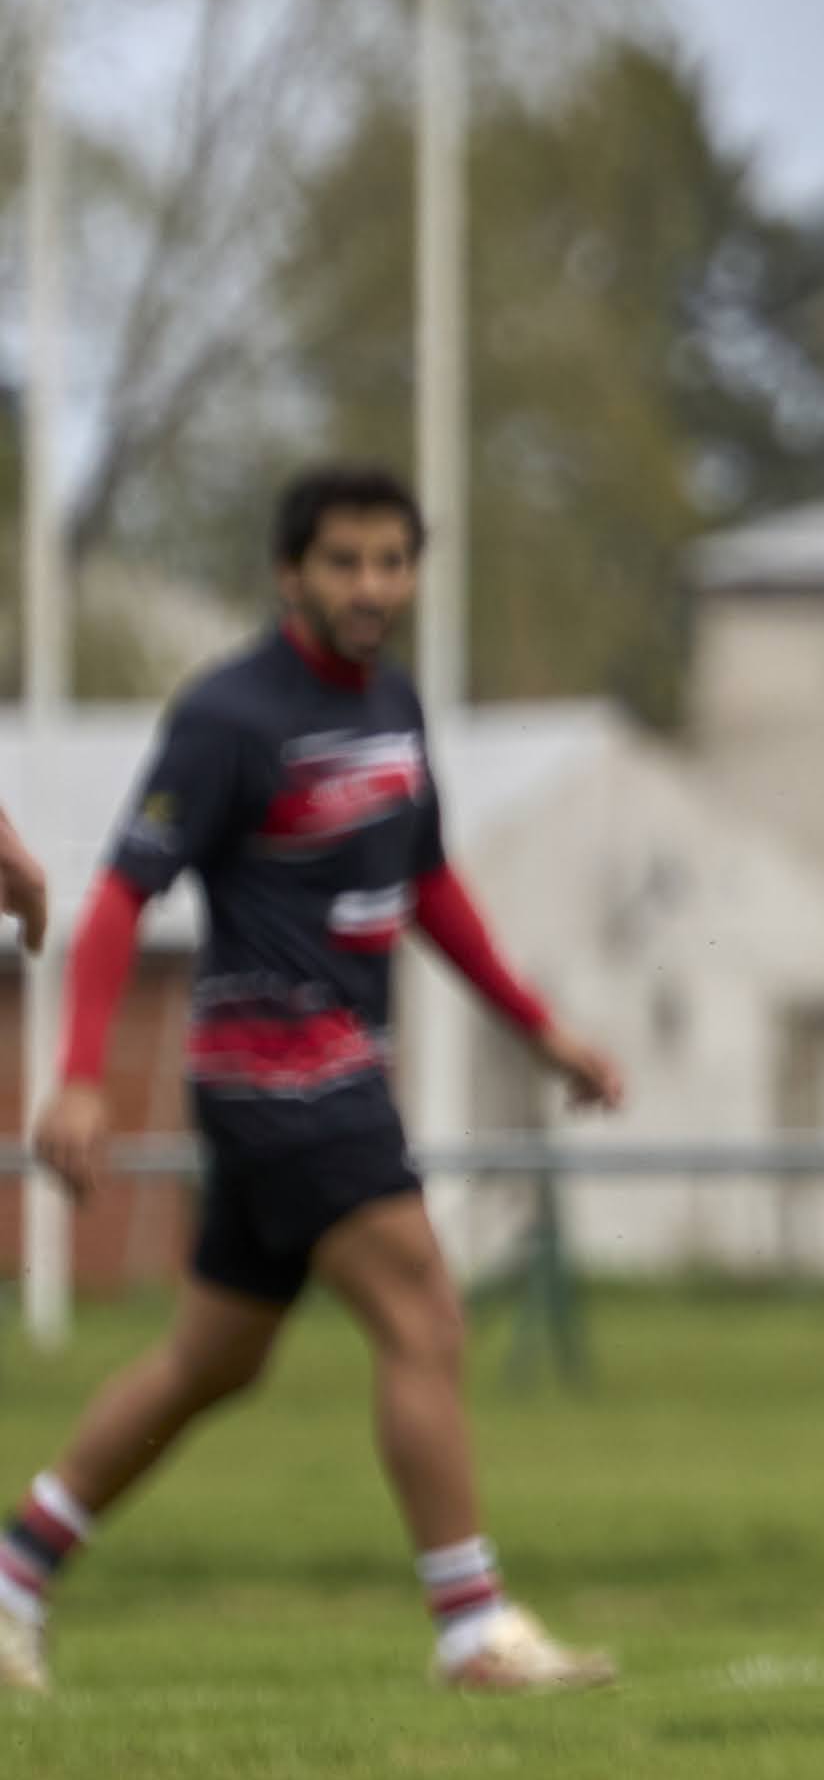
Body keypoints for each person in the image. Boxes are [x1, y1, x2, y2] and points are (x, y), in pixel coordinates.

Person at [0, 466, 627, 1700]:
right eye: (344, 561)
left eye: (392, 560)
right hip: (278, 1069)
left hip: (329, 1073)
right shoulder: (230, 715)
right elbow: (126, 891)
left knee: (211, 1360)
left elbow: (429, 883)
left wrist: (540, 1028)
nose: (371, 585)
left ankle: (13, 1582)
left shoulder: (393, 705)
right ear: (291, 573)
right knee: (425, 1316)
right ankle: (474, 1628)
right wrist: (76, 1078)